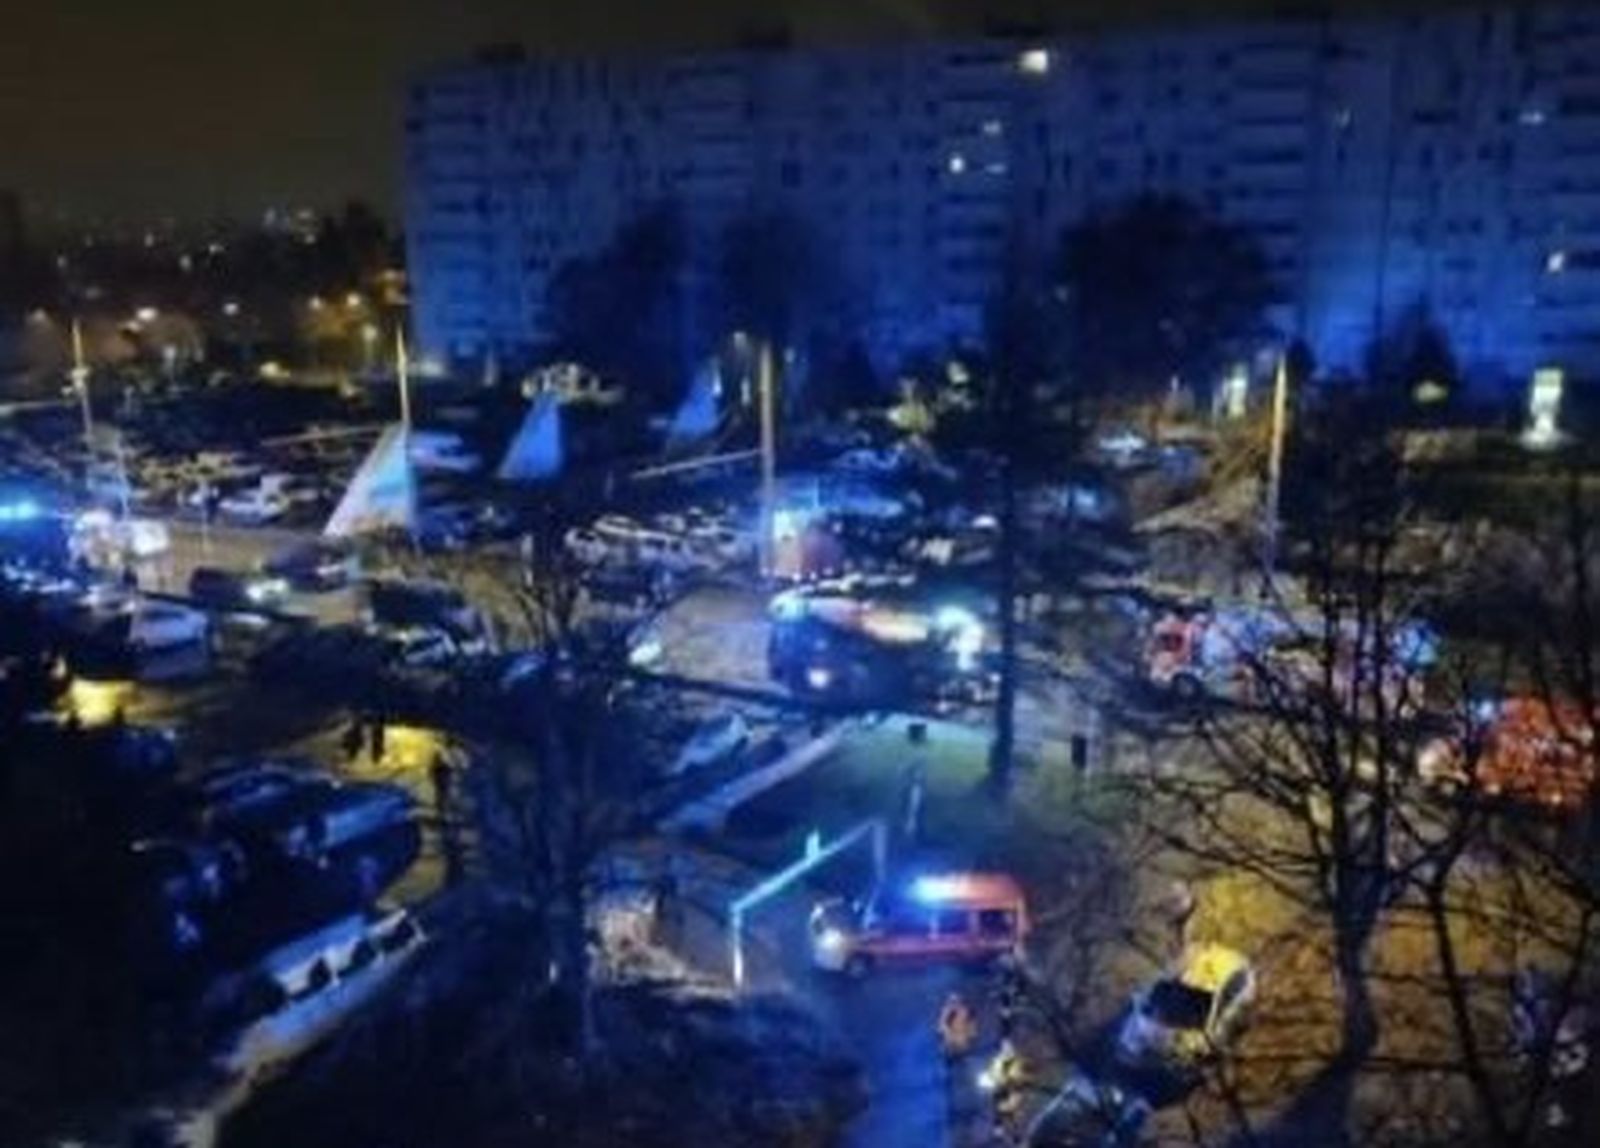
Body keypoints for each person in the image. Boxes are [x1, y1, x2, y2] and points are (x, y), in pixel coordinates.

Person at [938, 991, 978, 1062]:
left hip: (962, 1037)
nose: (956, 1005)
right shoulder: (948, 1012)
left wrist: (972, 1033)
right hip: (954, 1038)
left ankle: (960, 1058)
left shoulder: (968, 1012)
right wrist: (947, 1036)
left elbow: (972, 1024)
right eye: (953, 1003)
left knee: (962, 1052)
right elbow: (943, 1026)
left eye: (958, 1002)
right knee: (952, 1053)